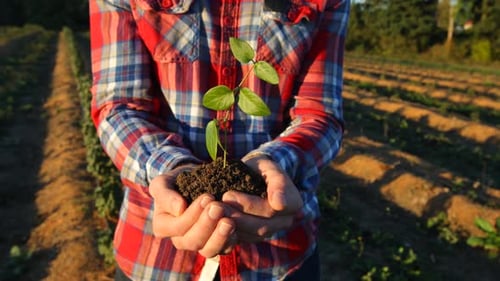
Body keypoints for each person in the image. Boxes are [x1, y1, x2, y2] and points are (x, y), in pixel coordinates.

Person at [89, 0, 350, 280]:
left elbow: (319, 114)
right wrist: (171, 170)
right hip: (154, 253)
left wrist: (275, 164)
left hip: (278, 255)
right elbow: (118, 106)